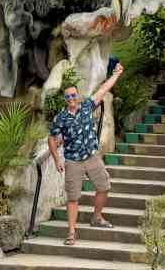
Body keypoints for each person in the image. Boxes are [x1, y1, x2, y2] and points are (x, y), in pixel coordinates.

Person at [48, 59, 124, 246]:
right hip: (73, 161)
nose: (71, 99)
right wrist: (57, 159)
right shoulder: (61, 118)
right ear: (65, 99)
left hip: (92, 156)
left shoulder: (87, 106)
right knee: (73, 197)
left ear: (78, 95)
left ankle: (97, 217)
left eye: (73, 95)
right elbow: (52, 137)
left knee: (104, 186)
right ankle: (71, 232)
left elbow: (103, 90)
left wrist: (115, 74)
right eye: (68, 97)